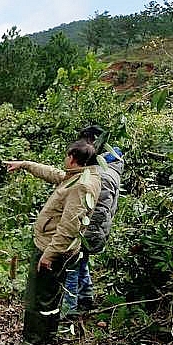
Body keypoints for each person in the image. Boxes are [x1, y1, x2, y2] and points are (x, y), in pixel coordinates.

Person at [4, 140, 101, 345]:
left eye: (67, 156)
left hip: (52, 249)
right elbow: (54, 174)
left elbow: (69, 226)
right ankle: (47, 337)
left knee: (38, 298)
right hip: (55, 248)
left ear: (73, 158)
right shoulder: (82, 175)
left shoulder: (81, 186)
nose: (64, 160)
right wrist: (25, 164)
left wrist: (49, 254)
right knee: (50, 296)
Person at [62, 126, 124, 317]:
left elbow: (97, 211)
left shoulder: (102, 175)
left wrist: (80, 233)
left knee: (71, 266)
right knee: (81, 263)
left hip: (89, 231)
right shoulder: (109, 169)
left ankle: (69, 310)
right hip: (96, 231)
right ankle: (86, 298)